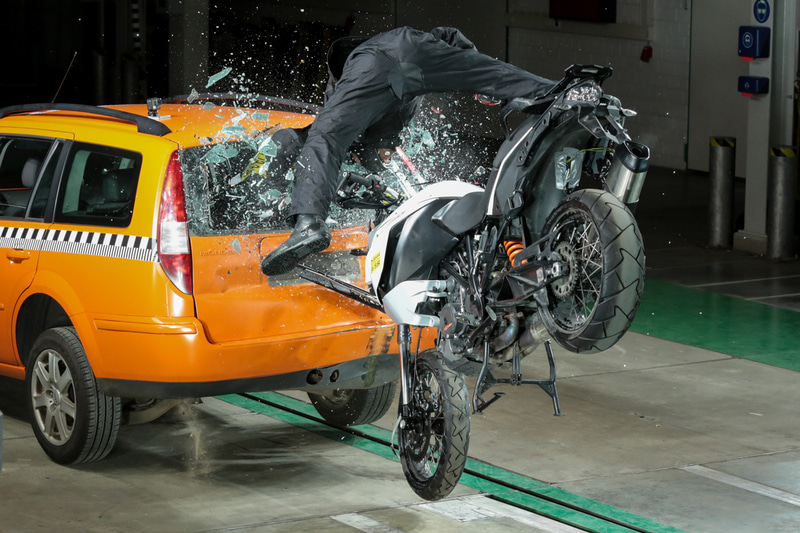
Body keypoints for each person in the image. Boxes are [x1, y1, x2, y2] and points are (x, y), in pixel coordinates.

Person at [261, 26, 555, 276]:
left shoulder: (347, 89)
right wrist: (473, 63)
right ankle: (558, 91)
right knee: (497, 77)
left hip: (378, 66)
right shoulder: (400, 79)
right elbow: (449, 37)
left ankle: (309, 222)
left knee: (325, 138)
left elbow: (326, 140)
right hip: (412, 72)